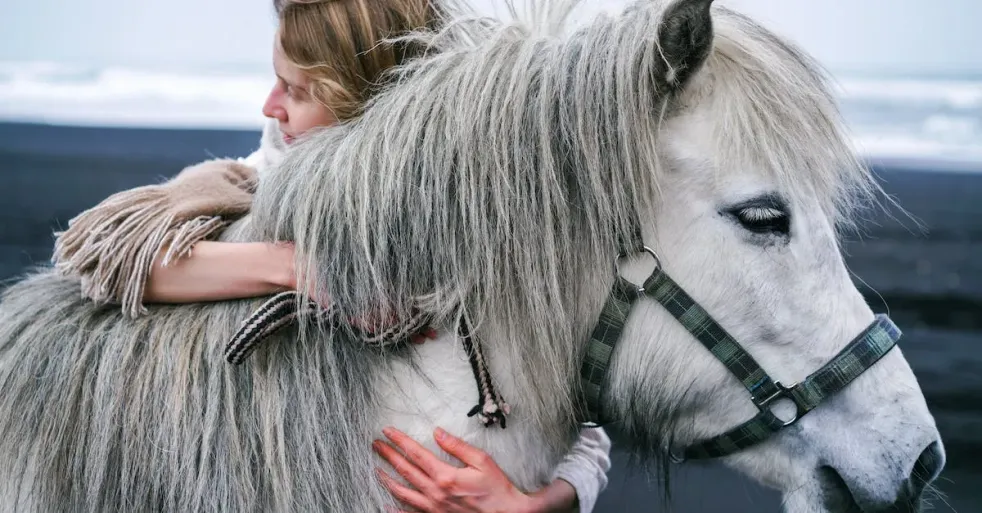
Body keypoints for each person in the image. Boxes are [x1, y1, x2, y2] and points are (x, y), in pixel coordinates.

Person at [50, 1, 612, 512]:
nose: (271, 107)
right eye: (276, 82)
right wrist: (304, 271)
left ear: (358, 101)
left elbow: (579, 405)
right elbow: (128, 267)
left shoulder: (487, 206)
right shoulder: (269, 179)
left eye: (298, 90)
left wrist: (536, 506)